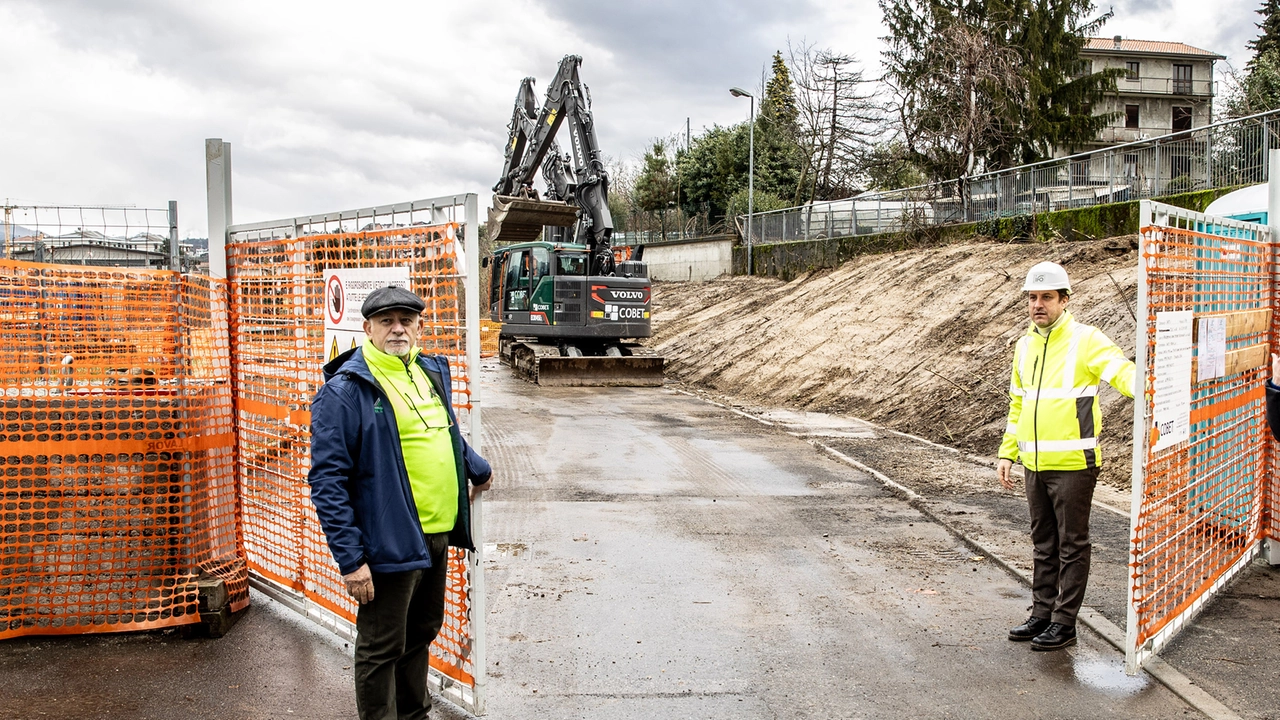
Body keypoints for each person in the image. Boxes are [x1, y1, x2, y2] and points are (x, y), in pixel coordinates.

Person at [308, 285, 492, 720]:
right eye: (387, 321)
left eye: (406, 320)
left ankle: (414, 715)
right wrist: (351, 560)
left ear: (419, 326)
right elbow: (327, 480)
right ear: (367, 328)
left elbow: (442, 432)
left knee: (421, 632)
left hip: (436, 534)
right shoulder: (347, 391)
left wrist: (477, 468)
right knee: (381, 646)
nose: (397, 329)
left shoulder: (425, 371)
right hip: (388, 540)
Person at [997, 261, 1135, 651]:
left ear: (1064, 300)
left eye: (1046, 297)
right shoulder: (1025, 346)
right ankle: (1041, 612)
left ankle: (1064, 622)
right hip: (1034, 464)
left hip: (1074, 465)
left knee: (1072, 544)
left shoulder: (1085, 340)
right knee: (1043, 541)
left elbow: (1120, 371)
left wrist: (1151, 386)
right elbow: (1017, 406)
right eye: (1032, 297)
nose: (1037, 304)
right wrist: (1008, 453)